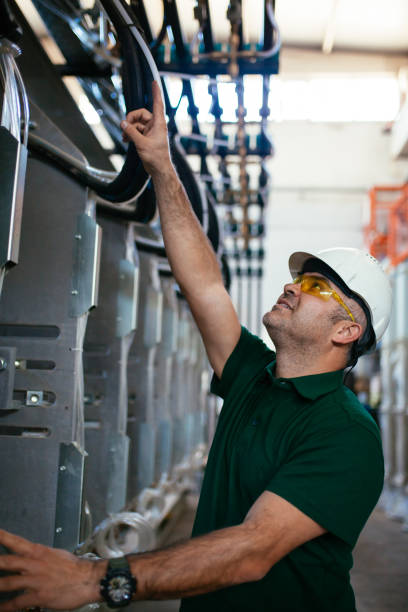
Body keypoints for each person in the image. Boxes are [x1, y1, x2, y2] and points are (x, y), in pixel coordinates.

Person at [0, 82, 392, 612]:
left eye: (319, 287)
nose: (293, 286)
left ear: (346, 332)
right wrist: (162, 165)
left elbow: (253, 549)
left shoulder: (345, 432)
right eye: (299, 277)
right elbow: (205, 284)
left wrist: (93, 580)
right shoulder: (255, 374)